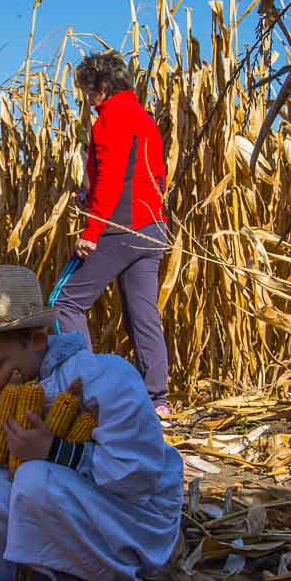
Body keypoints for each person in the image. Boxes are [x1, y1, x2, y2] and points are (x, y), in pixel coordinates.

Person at [0, 266, 182, 581]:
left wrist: (55, 451)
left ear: (38, 340)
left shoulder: (106, 377)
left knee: (33, 478)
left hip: (131, 524)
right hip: (57, 512)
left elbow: (138, 476)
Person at [53, 52, 172, 415]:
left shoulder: (111, 118)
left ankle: (87, 392)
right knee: (143, 313)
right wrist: (89, 195)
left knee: (65, 303)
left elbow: (112, 177)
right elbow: (155, 174)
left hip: (119, 228)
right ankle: (158, 401)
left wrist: (92, 230)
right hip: (152, 227)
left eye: (88, 90)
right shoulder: (143, 118)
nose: (86, 99)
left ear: (101, 87)